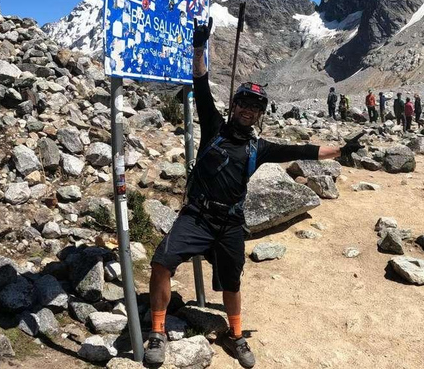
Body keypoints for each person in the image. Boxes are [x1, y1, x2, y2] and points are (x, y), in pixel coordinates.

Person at [145, 19, 364, 368]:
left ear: (260, 114)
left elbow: (301, 150)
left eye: (255, 107)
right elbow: (200, 84)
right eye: (244, 103)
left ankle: (235, 336)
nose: (248, 109)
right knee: (161, 263)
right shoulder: (214, 127)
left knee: (232, 282)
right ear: (234, 105)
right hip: (197, 216)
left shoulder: (259, 147)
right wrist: (199, 48)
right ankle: (157, 331)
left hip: (231, 222)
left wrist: (339, 150)